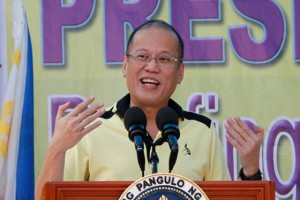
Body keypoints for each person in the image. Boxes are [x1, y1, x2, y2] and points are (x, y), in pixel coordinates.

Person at [35, 20, 264, 199]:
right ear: (125, 65)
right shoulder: (92, 130)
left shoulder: (203, 132)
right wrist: (56, 149)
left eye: (164, 59)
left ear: (180, 72)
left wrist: (251, 169)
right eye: (142, 56)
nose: (152, 67)